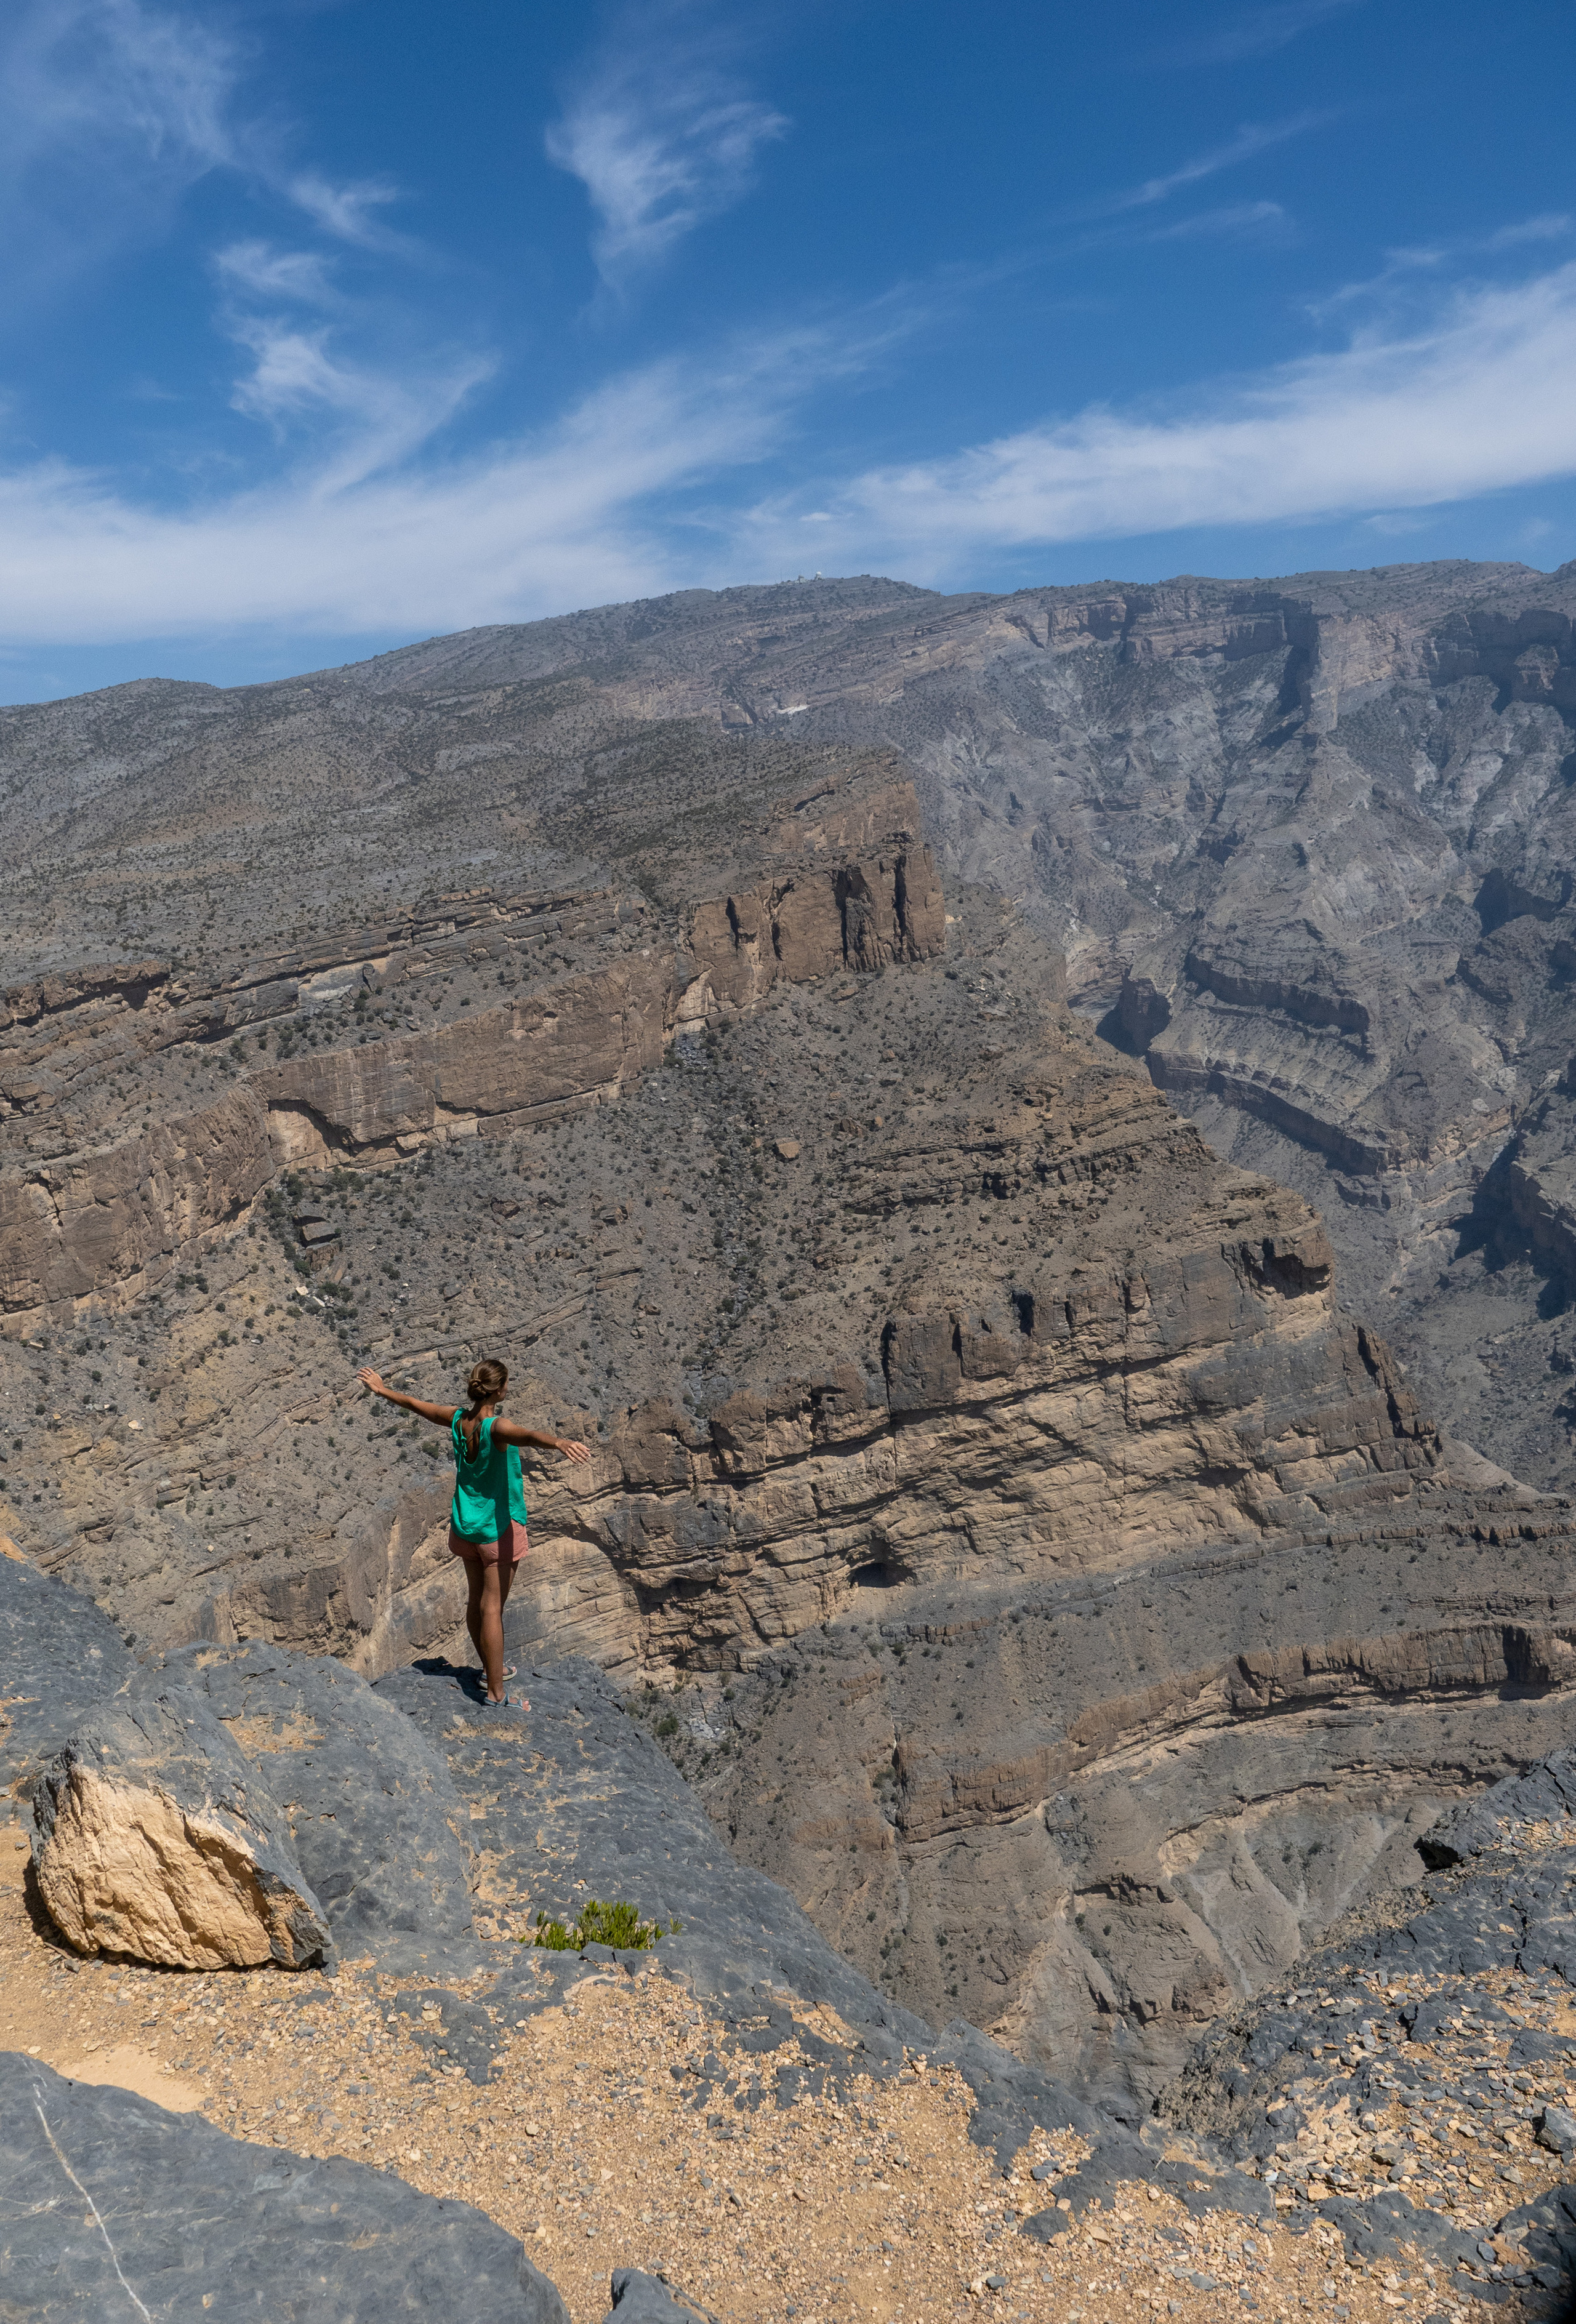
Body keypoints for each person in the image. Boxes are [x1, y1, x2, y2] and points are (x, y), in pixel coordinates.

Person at [356, 1359, 590, 1706]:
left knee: (477, 1601)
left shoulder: (457, 1419)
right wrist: (557, 1442)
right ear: (500, 1389)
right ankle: (496, 1693)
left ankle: (489, 1670)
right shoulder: (496, 1426)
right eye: (507, 1383)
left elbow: (417, 1406)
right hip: (497, 1529)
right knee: (493, 1607)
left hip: (464, 1527)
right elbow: (526, 1436)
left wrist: (382, 1389)